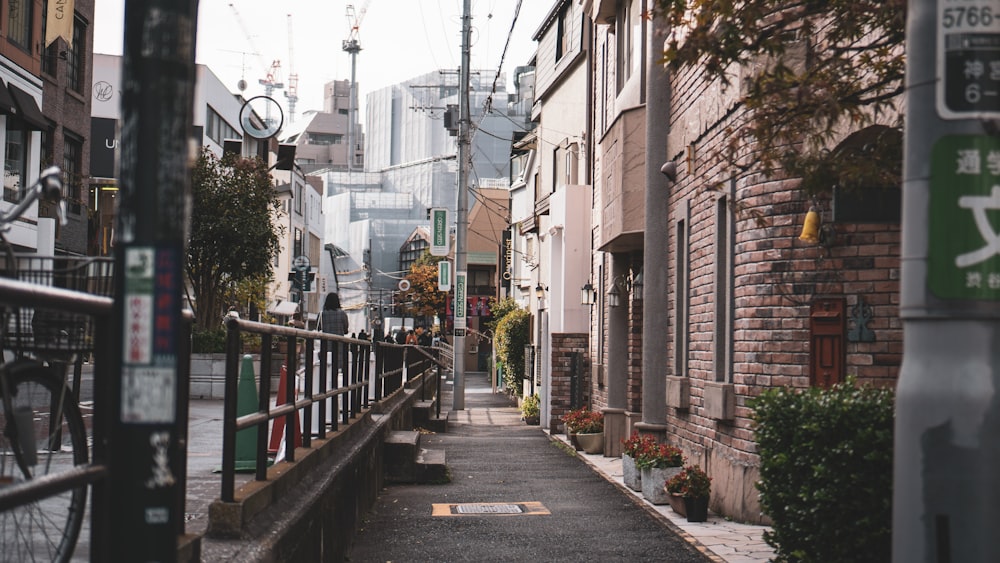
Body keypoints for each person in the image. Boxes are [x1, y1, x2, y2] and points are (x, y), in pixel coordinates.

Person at [321, 293, 349, 375]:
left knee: (326, 365)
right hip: (339, 345)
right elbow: (346, 330)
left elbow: (318, 327)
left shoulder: (322, 314)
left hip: (325, 344)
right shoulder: (342, 314)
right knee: (337, 366)